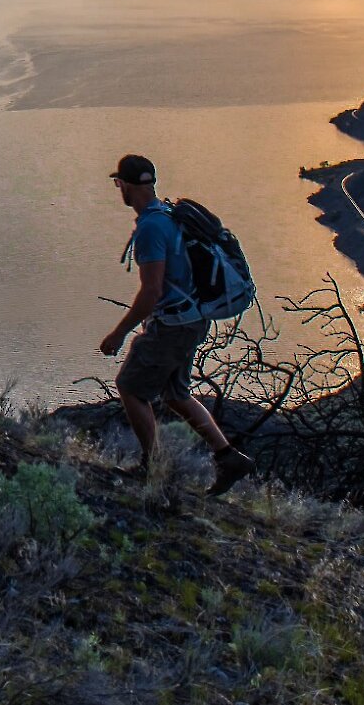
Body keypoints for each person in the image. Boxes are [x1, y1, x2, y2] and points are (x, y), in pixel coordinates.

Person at [99, 153, 257, 496]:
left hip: (172, 327)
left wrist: (119, 333)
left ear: (125, 185)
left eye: (118, 184)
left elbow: (152, 290)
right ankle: (229, 457)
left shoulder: (151, 229)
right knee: (176, 394)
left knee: (131, 387)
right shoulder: (167, 215)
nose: (118, 190)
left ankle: (152, 467)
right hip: (193, 320)